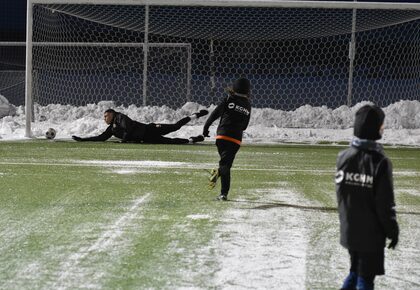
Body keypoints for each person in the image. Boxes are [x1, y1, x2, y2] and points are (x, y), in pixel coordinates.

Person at [335, 104, 399, 290]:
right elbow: (384, 204)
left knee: (355, 272)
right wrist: (392, 231)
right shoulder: (380, 162)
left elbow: (342, 196)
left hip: (350, 231)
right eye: (381, 125)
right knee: (365, 279)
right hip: (370, 235)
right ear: (376, 129)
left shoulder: (343, 157)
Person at [202, 78, 252, 201]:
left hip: (222, 137)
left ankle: (218, 174)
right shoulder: (248, 105)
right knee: (226, 164)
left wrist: (206, 127)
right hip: (235, 140)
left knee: (225, 164)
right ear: (248, 91)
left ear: (234, 88)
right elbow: (244, 126)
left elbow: (215, 114)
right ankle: (223, 193)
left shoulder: (228, 99)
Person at [72, 108, 207, 144]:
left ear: (112, 114)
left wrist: (124, 140)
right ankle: (193, 140)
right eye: (103, 117)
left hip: (150, 129)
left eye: (106, 116)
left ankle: (195, 115)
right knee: (170, 142)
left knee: (175, 126)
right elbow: (101, 138)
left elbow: (128, 128)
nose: (104, 118)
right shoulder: (112, 128)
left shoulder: (120, 117)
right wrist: (82, 139)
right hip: (147, 139)